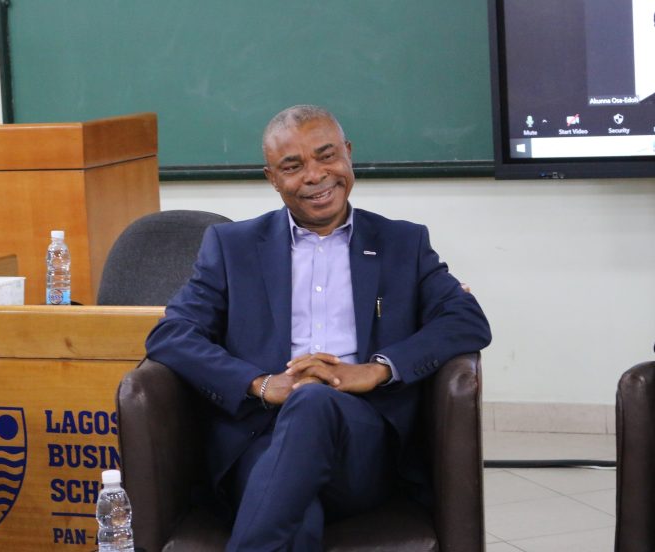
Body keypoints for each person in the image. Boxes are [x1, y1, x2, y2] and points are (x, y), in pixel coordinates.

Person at [145, 105, 491, 551]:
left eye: (326, 156)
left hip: (362, 443)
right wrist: (260, 383)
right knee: (297, 517)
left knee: (312, 403)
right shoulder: (233, 247)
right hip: (262, 438)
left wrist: (377, 369)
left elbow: (466, 319)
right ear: (272, 178)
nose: (315, 175)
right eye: (293, 166)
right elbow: (170, 334)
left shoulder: (402, 243)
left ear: (348, 154)